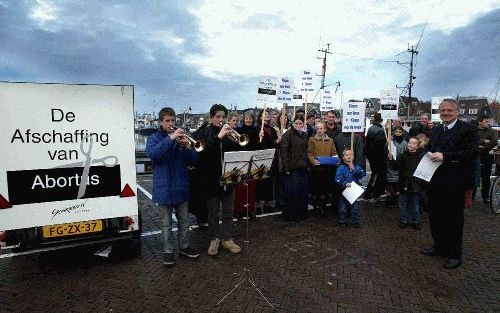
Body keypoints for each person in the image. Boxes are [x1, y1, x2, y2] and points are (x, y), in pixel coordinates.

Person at [421, 99, 478, 269]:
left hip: (455, 181)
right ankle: (439, 245)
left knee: (453, 219)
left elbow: (471, 152)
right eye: (443, 110)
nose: (445, 113)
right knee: (435, 216)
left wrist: (446, 156)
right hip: (436, 180)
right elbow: (430, 148)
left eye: (449, 110)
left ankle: (454, 254)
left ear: (457, 111)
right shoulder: (437, 129)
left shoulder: (467, 129)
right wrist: (424, 152)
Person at [146, 107, 199, 266]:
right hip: (164, 187)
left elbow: (194, 160)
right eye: (167, 121)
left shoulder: (181, 139)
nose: (171, 123)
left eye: (173, 120)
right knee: (166, 224)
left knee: (184, 221)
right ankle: (168, 250)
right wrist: (170, 139)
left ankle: (183, 246)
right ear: (160, 122)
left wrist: (187, 147)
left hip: (181, 185)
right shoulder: (154, 138)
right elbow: (154, 154)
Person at [194, 104, 242, 256]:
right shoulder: (204, 133)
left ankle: (227, 239)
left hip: (228, 178)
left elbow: (237, 154)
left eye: (223, 117)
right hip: (211, 180)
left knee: (228, 211)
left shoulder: (230, 133)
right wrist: (219, 136)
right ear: (211, 117)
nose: (221, 120)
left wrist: (234, 139)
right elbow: (203, 153)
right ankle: (214, 239)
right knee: (213, 213)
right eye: (218, 117)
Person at [280, 116, 309, 222]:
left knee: (302, 192)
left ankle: (301, 214)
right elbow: (284, 153)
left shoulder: (305, 135)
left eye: (300, 123)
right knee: (291, 193)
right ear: (293, 123)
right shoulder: (287, 135)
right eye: (296, 123)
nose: (298, 125)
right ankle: (291, 215)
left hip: (303, 167)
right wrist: (286, 169)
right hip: (292, 169)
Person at [307, 121, 337, 215]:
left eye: (321, 128)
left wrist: (336, 160)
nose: (319, 130)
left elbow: (334, 152)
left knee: (325, 188)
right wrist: (313, 161)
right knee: (317, 189)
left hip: (327, 169)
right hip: (316, 169)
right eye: (318, 128)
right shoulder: (312, 139)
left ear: (324, 129)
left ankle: (323, 206)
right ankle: (317, 206)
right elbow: (309, 153)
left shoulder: (330, 140)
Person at [397, 137, 423, 229]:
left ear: (417, 146)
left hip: (415, 184)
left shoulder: (420, 156)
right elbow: (397, 168)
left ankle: (415, 221)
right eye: (409, 142)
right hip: (404, 183)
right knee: (403, 204)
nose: (410, 144)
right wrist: (391, 160)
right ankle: (403, 220)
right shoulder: (402, 156)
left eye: (413, 143)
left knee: (415, 205)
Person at [335, 149, 366, 227]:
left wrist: (355, 170)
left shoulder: (356, 166)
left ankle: (356, 221)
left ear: (353, 157)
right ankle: (342, 220)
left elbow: (362, 174)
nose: (349, 156)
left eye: (350, 155)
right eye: (347, 155)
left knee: (355, 207)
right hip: (345, 190)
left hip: (353, 191)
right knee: (343, 206)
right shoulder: (341, 168)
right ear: (343, 158)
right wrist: (345, 183)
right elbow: (337, 178)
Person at [365, 112, 388, 203]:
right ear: (382, 120)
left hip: (373, 156)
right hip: (378, 158)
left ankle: (376, 194)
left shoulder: (372, 128)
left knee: (377, 175)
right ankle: (369, 195)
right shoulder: (379, 130)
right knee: (376, 175)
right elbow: (380, 146)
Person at [477, 115, 497, 203]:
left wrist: (481, 145)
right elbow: (471, 141)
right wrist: (484, 141)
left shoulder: (492, 131)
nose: (488, 123)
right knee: (473, 175)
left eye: (488, 121)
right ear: (480, 122)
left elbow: (494, 142)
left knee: (486, 177)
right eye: (486, 121)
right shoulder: (474, 130)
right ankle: (471, 195)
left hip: (487, 156)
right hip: (475, 155)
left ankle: (485, 196)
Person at [386, 127, 408, 207]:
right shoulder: (390, 141)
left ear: (402, 133)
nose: (398, 133)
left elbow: (406, 153)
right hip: (391, 164)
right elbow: (385, 150)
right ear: (393, 132)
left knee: (397, 184)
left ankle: (395, 200)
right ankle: (389, 201)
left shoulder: (405, 143)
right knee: (390, 183)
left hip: (400, 165)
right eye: (396, 132)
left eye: (400, 132)